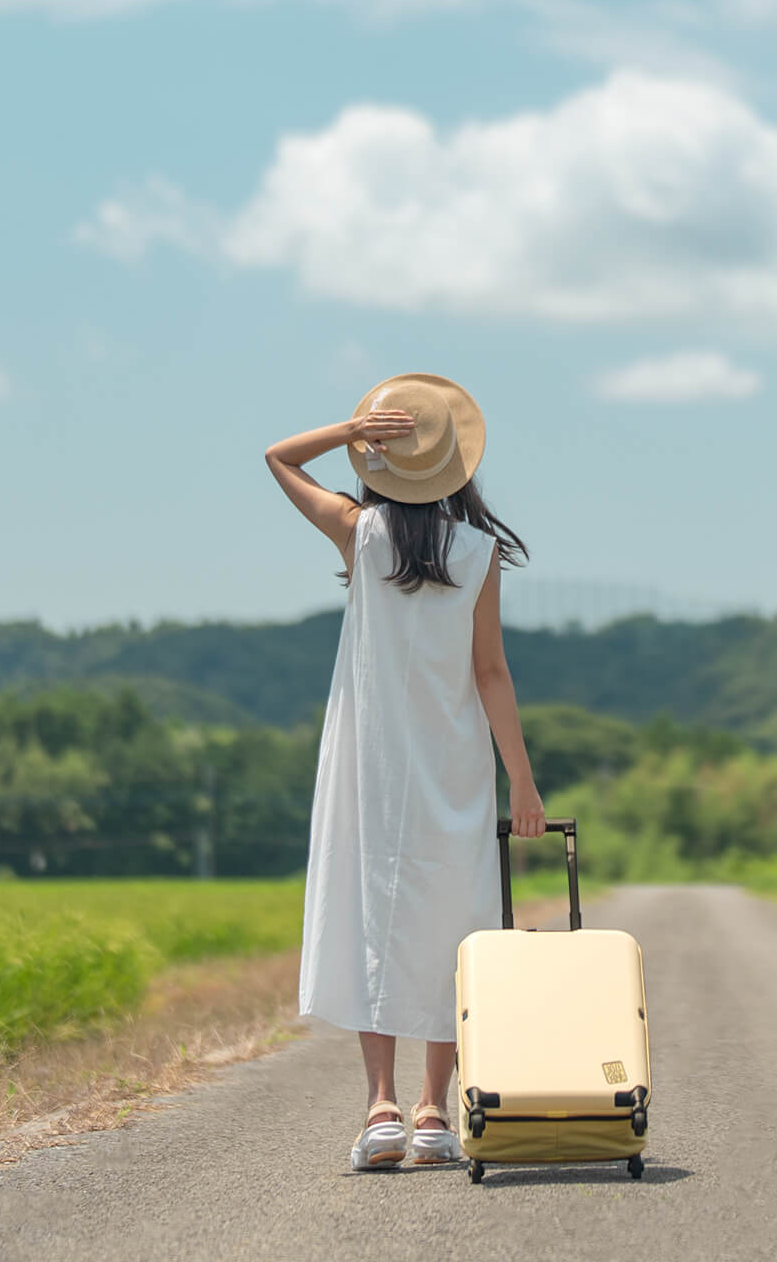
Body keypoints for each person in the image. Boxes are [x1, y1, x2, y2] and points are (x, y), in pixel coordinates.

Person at [264, 373, 546, 1172]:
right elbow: (491, 673)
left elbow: (278, 459)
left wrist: (350, 432)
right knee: (453, 927)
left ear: (382, 460)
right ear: (458, 468)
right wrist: (521, 782)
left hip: (371, 760)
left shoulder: (359, 532)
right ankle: (432, 1113)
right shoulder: (478, 551)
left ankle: (380, 1106)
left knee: (370, 917)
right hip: (454, 763)